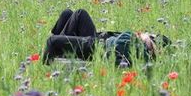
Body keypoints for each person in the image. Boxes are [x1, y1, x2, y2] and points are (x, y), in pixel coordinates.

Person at [42, 9, 170, 66]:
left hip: (98, 45)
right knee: (67, 13)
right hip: (98, 38)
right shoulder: (135, 43)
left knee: (79, 14)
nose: (146, 34)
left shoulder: (137, 48)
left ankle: (56, 50)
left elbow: (120, 42)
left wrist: (144, 38)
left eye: (151, 37)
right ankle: (60, 45)